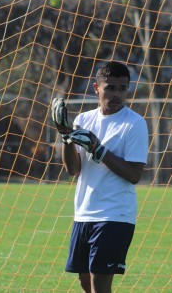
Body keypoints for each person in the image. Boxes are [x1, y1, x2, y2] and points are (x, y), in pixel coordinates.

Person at [51, 61, 149, 293]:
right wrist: (66, 137)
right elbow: (73, 170)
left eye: (122, 88)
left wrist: (98, 149)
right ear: (97, 88)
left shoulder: (134, 124)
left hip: (115, 216)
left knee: (100, 285)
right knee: (85, 282)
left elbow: (134, 175)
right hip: (84, 213)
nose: (117, 94)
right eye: (111, 88)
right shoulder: (83, 121)